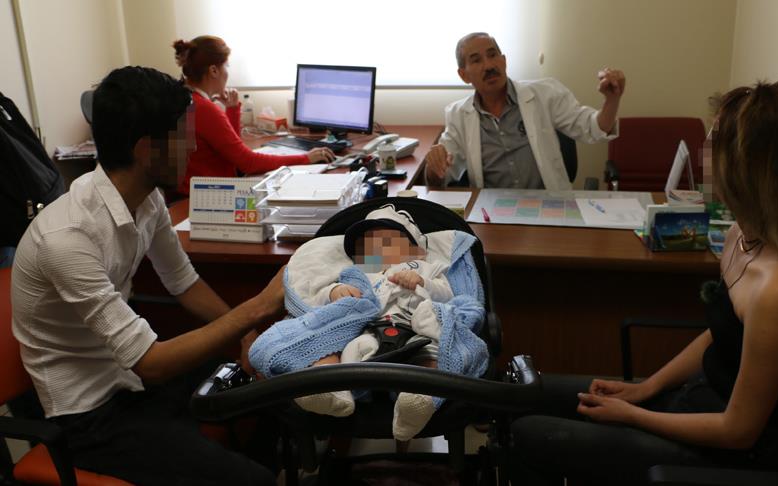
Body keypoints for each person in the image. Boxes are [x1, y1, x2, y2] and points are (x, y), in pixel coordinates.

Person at [508, 82, 778, 484]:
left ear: (746, 167)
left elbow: (739, 431)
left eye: (713, 143)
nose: (703, 151)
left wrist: (635, 415)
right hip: (700, 400)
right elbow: (721, 334)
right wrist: (646, 388)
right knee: (525, 393)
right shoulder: (740, 237)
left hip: (738, 453)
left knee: (529, 435)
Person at [11, 66, 287, 486]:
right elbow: (153, 364)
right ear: (147, 149)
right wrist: (256, 309)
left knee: (272, 385)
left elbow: (183, 281)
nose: (193, 145)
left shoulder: (147, 199)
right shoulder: (67, 238)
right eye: (184, 136)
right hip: (88, 415)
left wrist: (247, 337)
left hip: (132, 380)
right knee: (251, 479)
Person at [249, 205, 487, 442]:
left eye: (386, 243)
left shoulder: (428, 268)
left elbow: (450, 295)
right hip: (369, 330)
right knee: (338, 346)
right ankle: (331, 388)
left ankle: (418, 400)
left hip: (417, 330)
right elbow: (318, 300)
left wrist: (423, 283)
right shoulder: (357, 274)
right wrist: (336, 292)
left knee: (432, 355)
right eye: (365, 249)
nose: (375, 251)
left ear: (417, 251)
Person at [424, 32, 625, 189]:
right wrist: (434, 166)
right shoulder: (458, 115)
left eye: (493, 55)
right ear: (463, 75)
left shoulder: (545, 93)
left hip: (549, 203)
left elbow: (593, 128)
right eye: (476, 60)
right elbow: (439, 178)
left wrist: (612, 100)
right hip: (492, 213)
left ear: (504, 60)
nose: (489, 65)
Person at [173, 36, 335, 195]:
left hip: (190, 191)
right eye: (226, 66)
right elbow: (248, 162)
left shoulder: (185, 98)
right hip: (205, 196)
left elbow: (231, 152)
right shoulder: (204, 109)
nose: (228, 72)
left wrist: (232, 109)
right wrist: (306, 158)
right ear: (214, 70)